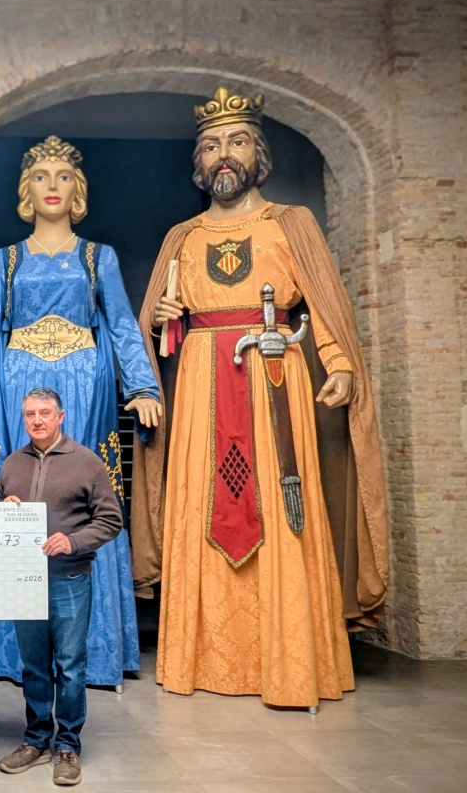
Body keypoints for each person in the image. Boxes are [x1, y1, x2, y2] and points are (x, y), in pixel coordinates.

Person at [136, 87, 390, 708]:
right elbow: (155, 332)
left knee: (283, 506)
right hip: (201, 380)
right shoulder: (181, 237)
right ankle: (202, 660)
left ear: (259, 154)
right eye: (211, 145)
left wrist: (339, 363)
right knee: (200, 504)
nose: (224, 154)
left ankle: (292, 663)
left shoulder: (291, 224)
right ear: (199, 163)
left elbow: (325, 305)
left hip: (275, 375)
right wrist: (162, 321)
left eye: (238, 141)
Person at [0, 135, 161, 690]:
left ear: (79, 190)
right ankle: (10, 650)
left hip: (84, 387)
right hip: (17, 384)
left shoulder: (99, 256)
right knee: (22, 493)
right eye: (41, 177)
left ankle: (93, 650)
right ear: (26, 192)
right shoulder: (4, 260)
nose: (53, 186)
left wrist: (142, 385)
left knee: (81, 490)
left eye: (64, 176)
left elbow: (121, 326)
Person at [0, 388, 122, 787]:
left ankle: (67, 745)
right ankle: (36, 740)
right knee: (33, 665)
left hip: (69, 578)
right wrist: (1, 511)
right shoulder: (12, 464)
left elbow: (111, 520)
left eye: (45, 413)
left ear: (60, 417)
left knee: (69, 665)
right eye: (30, 414)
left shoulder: (87, 463)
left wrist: (73, 541)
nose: (37, 420)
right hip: (24, 581)